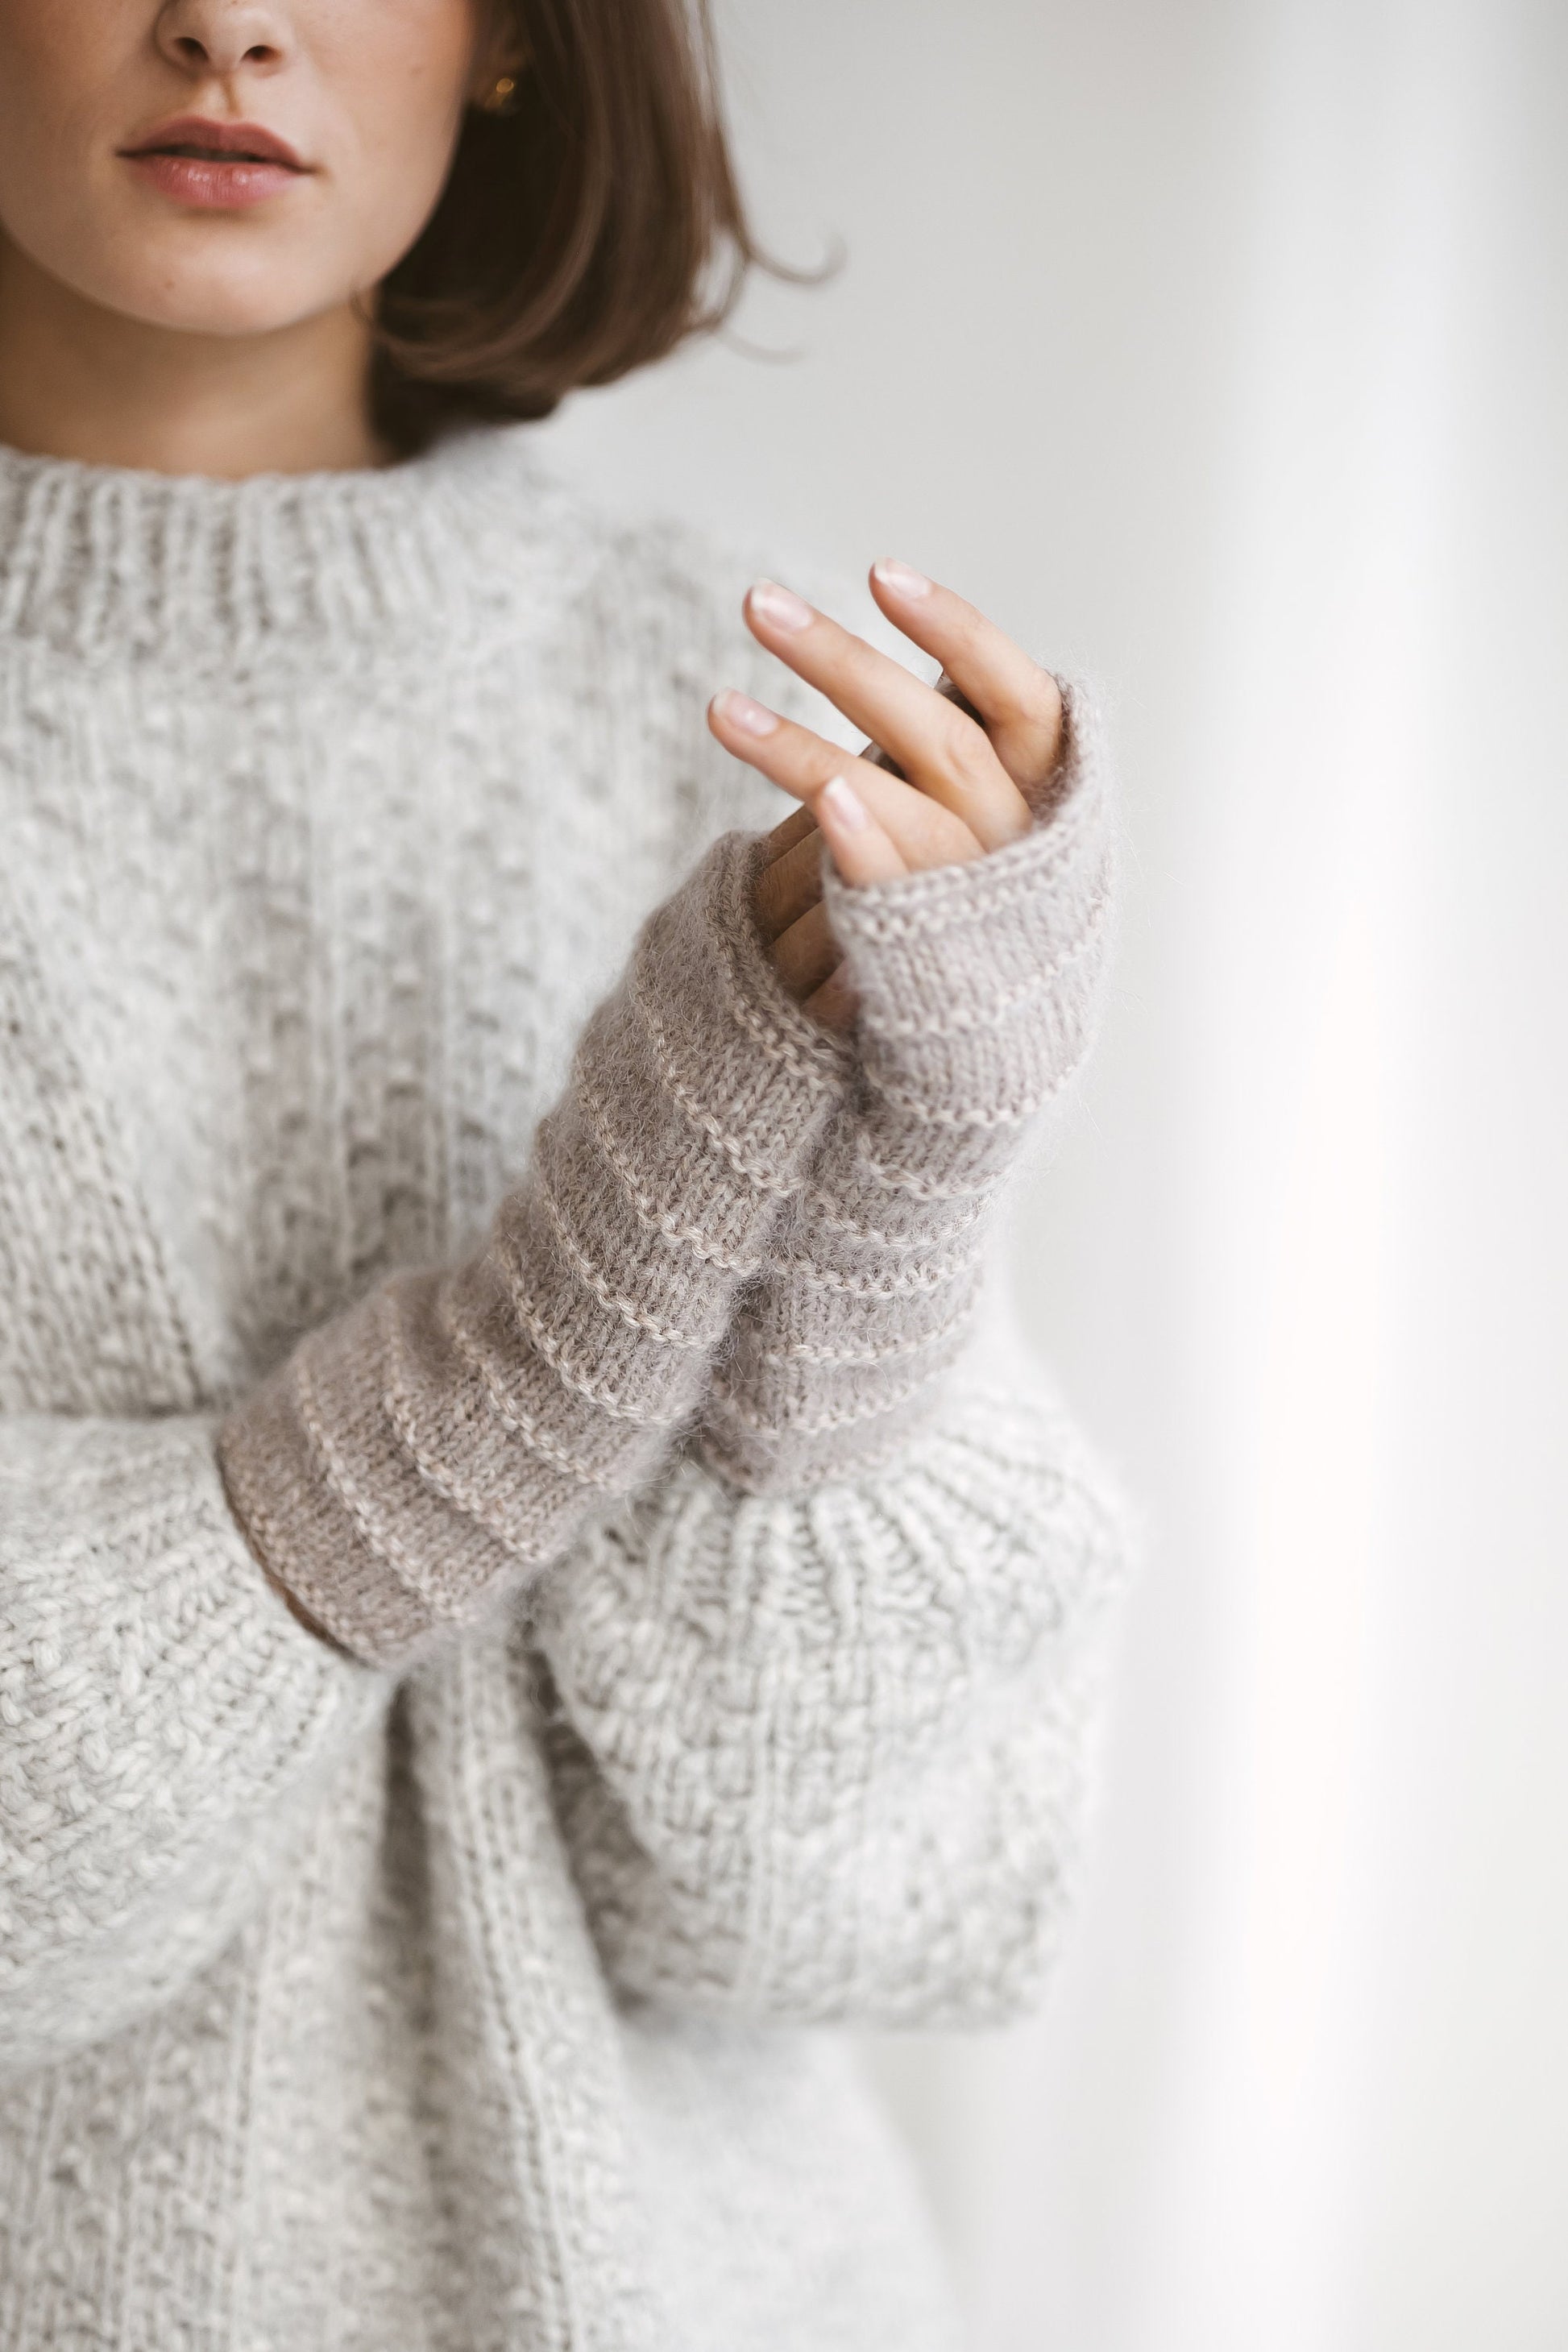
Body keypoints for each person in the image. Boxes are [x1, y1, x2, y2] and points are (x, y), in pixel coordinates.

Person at [0, 2, 1130, 2345]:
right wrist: (519, 1366)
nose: (229, 20)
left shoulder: (721, 690)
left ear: (512, 40)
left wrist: (902, 1217)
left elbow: (853, 1904)